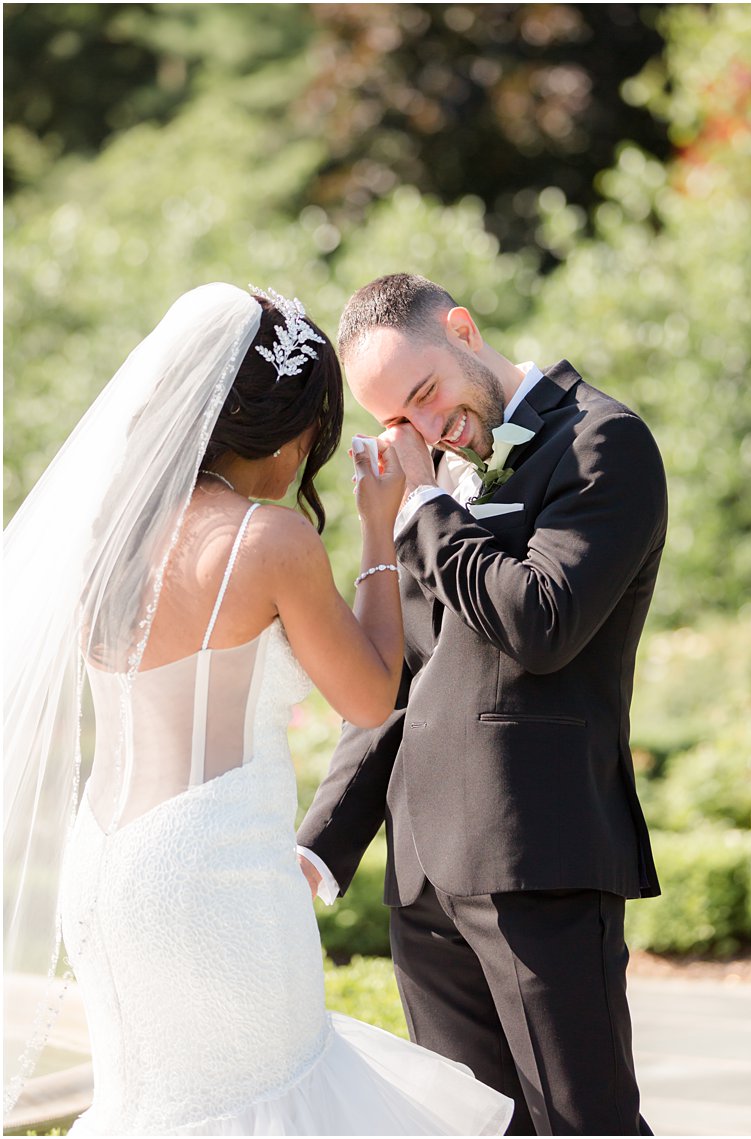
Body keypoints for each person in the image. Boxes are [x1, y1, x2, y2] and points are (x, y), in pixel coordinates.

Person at [2, 283, 513, 1134]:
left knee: (155, 1106)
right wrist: (379, 530)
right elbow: (370, 691)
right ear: (287, 430)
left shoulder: (106, 534)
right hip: (214, 874)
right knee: (265, 1102)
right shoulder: (268, 540)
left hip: (104, 872)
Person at [295, 273, 666, 1136]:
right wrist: (319, 846)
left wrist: (421, 506)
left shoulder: (602, 441)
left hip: (535, 854)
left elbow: (543, 620)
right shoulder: (442, 484)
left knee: (587, 1123)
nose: (428, 431)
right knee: (470, 1126)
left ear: (462, 328)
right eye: (399, 421)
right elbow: (402, 679)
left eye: (426, 394)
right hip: (422, 873)